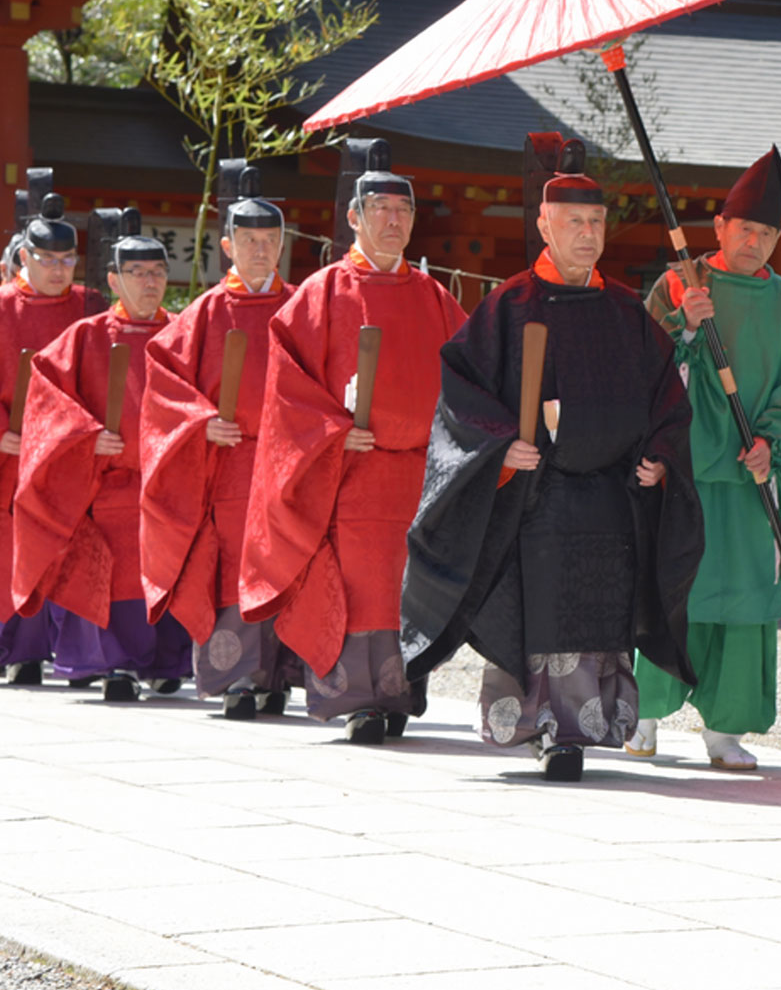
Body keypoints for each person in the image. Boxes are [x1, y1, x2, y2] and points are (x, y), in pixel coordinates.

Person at [401, 161, 703, 781]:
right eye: (574, 221)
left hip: (610, 499)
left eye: (596, 221)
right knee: (539, 612)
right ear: (545, 224)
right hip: (537, 500)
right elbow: (461, 393)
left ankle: (586, 729)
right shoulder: (509, 306)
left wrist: (661, 460)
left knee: (597, 614)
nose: (588, 233)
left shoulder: (624, 310)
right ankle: (544, 730)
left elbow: (666, 398)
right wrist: (500, 447)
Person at [240, 149, 465, 744]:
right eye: (380, 209)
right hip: (350, 474)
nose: (393, 221)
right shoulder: (322, 292)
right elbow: (285, 386)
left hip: (420, 476)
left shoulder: (435, 297)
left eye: (403, 210)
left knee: (407, 589)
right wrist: (335, 430)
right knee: (362, 587)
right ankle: (359, 702)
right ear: (354, 217)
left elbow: (472, 376)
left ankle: (401, 694)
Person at [630, 145, 781, 769]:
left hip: (751, 474)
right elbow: (639, 366)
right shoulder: (679, 283)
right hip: (685, 469)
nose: (756, 241)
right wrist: (685, 328)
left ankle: (726, 728)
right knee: (676, 589)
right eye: (745, 228)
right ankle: (641, 714)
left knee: (744, 598)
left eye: (768, 232)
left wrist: (770, 439)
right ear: (719, 227)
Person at [141, 189, 303, 721]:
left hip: (291, 459)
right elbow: (162, 381)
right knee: (236, 565)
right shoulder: (207, 310)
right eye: (250, 240)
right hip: (232, 460)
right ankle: (237, 679)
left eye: (271, 240)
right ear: (228, 246)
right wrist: (202, 421)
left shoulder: (302, 305)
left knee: (289, 559)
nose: (261, 250)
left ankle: (279, 675)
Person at [13, 230, 190, 700]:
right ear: (114, 280)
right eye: (137, 273)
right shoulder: (85, 336)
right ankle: (119, 666)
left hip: (170, 478)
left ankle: (166, 663)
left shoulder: (182, 334)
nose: (149, 283)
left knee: (170, 566)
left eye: (157, 273)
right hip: (109, 482)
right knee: (118, 574)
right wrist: (88, 438)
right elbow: (45, 399)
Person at [0, 197, 102, 686]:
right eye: (48, 260)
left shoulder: (90, 304)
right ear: (24, 257)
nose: (60, 270)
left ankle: (78, 655)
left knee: (72, 547)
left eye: (67, 261)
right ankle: (19, 651)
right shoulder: (2, 308)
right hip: (14, 449)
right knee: (14, 548)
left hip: (73, 450)